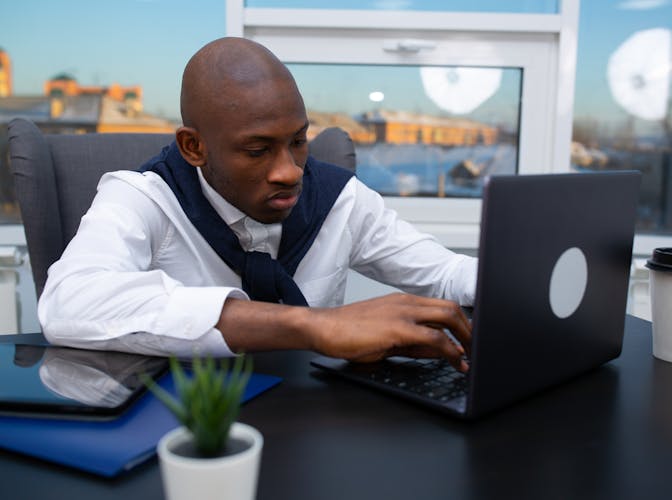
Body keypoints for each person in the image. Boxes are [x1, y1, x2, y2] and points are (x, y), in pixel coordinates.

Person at [37, 37, 477, 372]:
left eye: (298, 141)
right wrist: (315, 325)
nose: (289, 171)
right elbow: (68, 304)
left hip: (320, 429)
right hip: (187, 436)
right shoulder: (144, 198)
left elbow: (447, 275)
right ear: (194, 147)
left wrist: (523, 286)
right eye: (257, 149)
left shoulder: (341, 199)